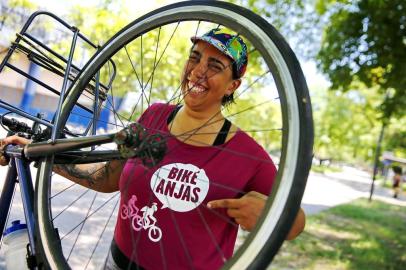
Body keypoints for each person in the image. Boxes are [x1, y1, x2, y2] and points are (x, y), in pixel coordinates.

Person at [0, 28, 305, 269]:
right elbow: (106, 176)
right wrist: (36, 152)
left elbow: (297, 223)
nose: (198, 70)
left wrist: (273, 217)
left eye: (215, 65)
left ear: (232, 85)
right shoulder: (152, 116)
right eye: (195, 57)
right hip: (117, 263)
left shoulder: (248, 154)